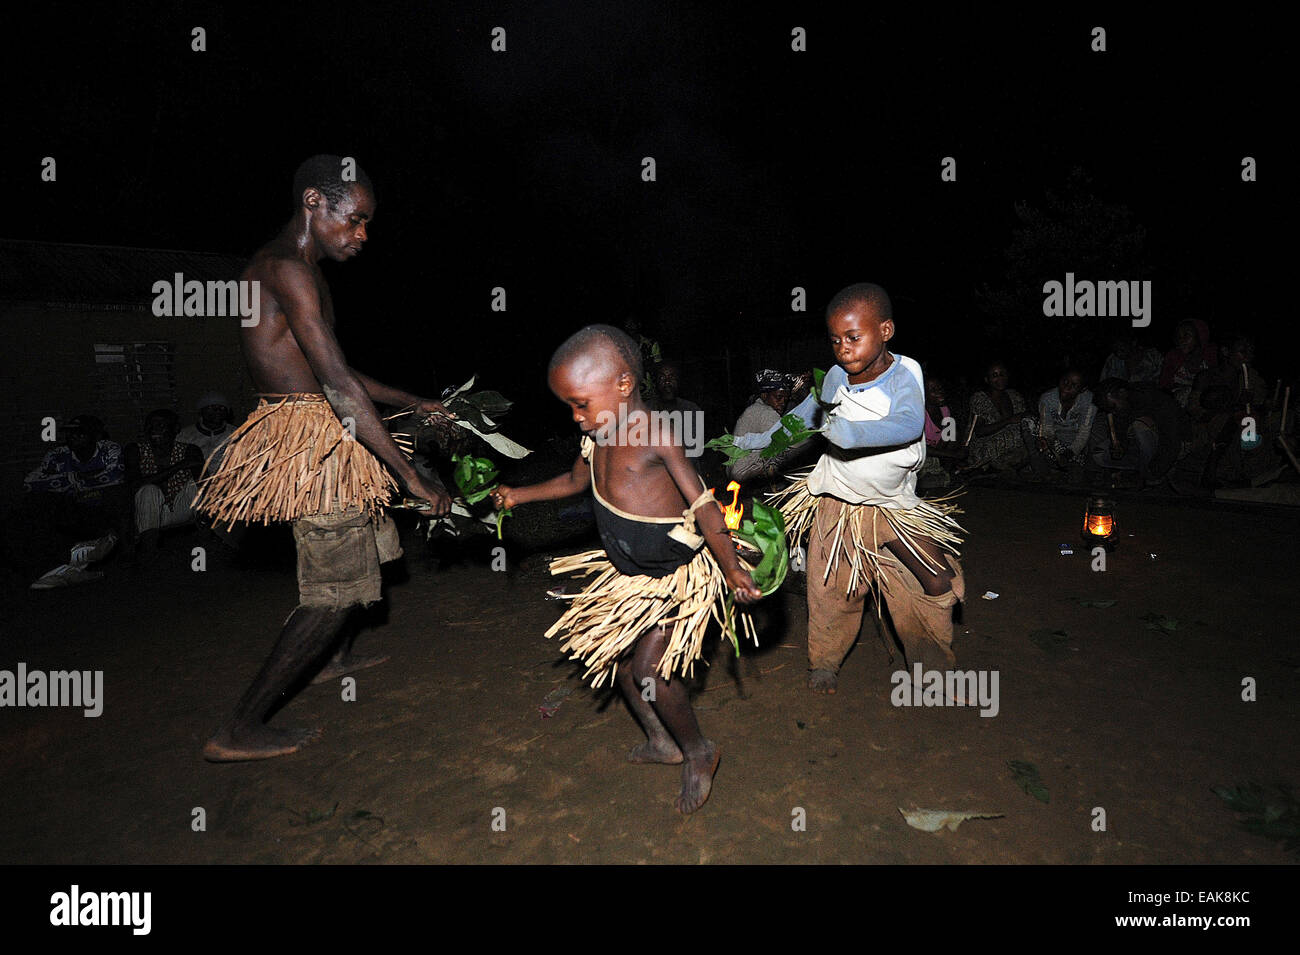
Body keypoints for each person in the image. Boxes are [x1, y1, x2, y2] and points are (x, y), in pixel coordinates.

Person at [197, 155, 453, 762]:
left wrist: (415, 400)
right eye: (356, 219)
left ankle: (328, 658)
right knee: (334, 592)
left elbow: (333, 370)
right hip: (311, 440)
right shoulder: (285, 269)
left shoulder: (302, 269)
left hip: (326, 423)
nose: (363, 234)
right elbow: (336, 384)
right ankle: (239, 728)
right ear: (315, 202)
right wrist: (407, 472)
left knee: (372, 548)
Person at [490, 325, 762, 814]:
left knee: (650, 671)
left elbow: (703, 504)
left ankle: (698, 750)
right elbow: (576, 481)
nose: (576, 418)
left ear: (622, 385)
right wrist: (519, 494)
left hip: (673, 577)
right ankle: (662, 741)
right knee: (616, 663)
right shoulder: (598, 433)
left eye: (579, 403)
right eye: (569, 407)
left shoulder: (657, 433)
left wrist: (731, 566)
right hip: (627, 577)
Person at [737, 284, 966, 695]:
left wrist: (846, 432)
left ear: (886, 330)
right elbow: (799, 422)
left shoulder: (906, 373)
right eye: (836, 340)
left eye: (853, 337)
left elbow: (909, 424)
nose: (843, 348)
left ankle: (931, 665)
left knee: (935, 581)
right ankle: (824, 662)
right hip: (838, 502)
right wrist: (752, 442)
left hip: (893, 505)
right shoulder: (834, 380)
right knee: (831, 590)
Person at [20, 414, 127, 587]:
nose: (73, 437)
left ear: (97, 436)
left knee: (117, 495)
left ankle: (87, 558)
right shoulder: (58, 454)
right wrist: (77, 479)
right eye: (70, 433)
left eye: (80, 433)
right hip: (71, 509)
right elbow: (30, 483)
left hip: (102, 509)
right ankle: (68, 566)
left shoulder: (108, 449)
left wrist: (68, 484)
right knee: (36, 505)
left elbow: (115, 476)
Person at [123, 409, 204, 552]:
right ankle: (149, 552)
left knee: (198, 485)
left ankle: (207, 544)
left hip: (182, 509)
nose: (154, 429)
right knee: (148, 490)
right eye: (150, 425)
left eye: (161, 425)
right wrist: (180, 465)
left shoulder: (189, 450)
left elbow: (204, 483)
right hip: (149, 515)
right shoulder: (135, 449)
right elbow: (134, 484)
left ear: (175, 429)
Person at [1091, 378, 1185, 488]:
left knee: (1140, 426)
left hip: (1171, 447)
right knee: (1100, 454)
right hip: (1144, 450)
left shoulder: (1157, 400)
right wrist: (1119, 447)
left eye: (1113, 407)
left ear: (1122, 393)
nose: (1113, 412)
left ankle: (1153, 473)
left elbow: (1171, 440)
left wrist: (1156, 471)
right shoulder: (1120, 408)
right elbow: (1122, 437)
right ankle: (1138, 472)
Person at [1021, 369, 1096, 482]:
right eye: (1065, 381)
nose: (1067, 387)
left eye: (1074, 385)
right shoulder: (1047, 399)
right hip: (1055, 444)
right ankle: (1040, 469)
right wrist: (1046, 442)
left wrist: (1070, 453)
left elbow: (1084, 433)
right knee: (1028, 421)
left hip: (1077, 446)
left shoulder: (1089, 401)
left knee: (1097, 428)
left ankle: (1082, 469)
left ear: (1083, 389)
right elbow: (1047, 427)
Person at [728, 369, 798, 484]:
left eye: (786, 399)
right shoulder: (765, 412)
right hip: (744, 473)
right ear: (765, 395)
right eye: (778, 397)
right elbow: (794, 442)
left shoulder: (755, 407)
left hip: (737, 472)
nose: (782, 402)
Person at [961, 361, 1029, 472]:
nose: (999, 378)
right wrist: (1008, 421)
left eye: (1002, 374)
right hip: (987, 442)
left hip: (1011, 443)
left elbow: (1023, 420)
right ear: (987, 380)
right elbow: (979, 431)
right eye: (994, 375)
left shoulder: (1015, 396)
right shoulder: (980, 399)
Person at [1159, 319, 1217, 408]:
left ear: (1199, 336)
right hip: (1176, 407)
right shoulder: (1173, 357)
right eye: (1179, 337)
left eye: (1187, 335)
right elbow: (1164, 386)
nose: (1182, 340)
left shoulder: (1211, 355)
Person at [177, 392, 235, 476]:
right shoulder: (185, 436)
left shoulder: (237, 434)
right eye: (211, 407)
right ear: (201, 411)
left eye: (222, 408)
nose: (217, 411)